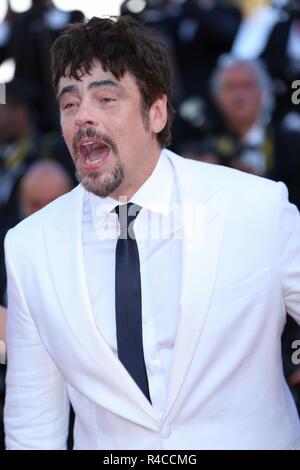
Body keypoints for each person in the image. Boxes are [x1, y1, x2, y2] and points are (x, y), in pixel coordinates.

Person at [3, 15, 300, 450]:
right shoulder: (29, 246)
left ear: (156, 112)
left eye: (105, 98)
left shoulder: (256, 208)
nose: (82, 116)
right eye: (69, 104)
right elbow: (33, 423)